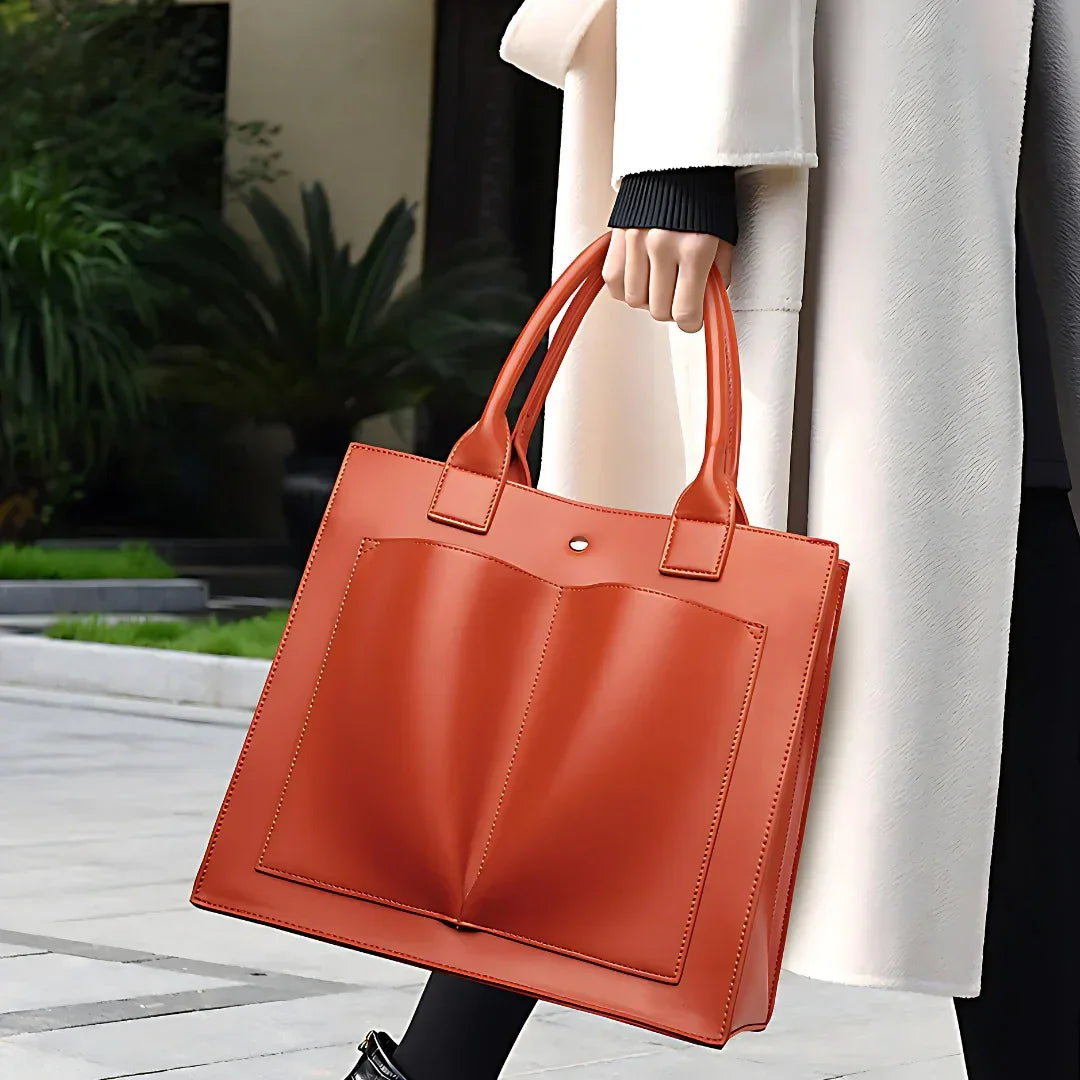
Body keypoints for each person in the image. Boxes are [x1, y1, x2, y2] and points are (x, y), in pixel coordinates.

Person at [345, 2, 1079, 1077]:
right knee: (643, 668)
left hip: (1009, 113)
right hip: (836, 112)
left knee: (1021, 634)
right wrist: (685, 142)